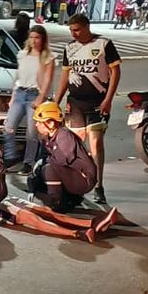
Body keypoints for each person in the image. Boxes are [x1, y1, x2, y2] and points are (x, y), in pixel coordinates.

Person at [55, 13, 122, 205]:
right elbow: (65, 76)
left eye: (77, 30)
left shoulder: (103, 44)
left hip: (97, 103)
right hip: (74, 103)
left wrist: (108, 100)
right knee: (73, 145)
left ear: (86, 27)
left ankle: (99, 186)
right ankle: (75, 183)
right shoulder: (70, 48)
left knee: (96, 144)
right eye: (71, 30)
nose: (74, 34)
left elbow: (115, 72)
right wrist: (57, 100)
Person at [27, 102, 96, 211]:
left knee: (49, 168)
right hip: (70, 174)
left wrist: (43, 163)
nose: (36, 125)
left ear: (50, 123)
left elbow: (61, 160)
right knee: (37, 177)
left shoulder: (64, 135)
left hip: (84, 177)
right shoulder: (47, 138)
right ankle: (69, 199)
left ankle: (55, 203)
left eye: (39, 122)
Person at [4, 24, 54, 172]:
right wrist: (13, 96)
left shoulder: (47, 58)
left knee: (32, 133)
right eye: (31, 37)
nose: (34, 40)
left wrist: (41, 97)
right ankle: (10, 156)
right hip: (20, 93)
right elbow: (18, 77)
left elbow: (47, 80)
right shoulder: (22, 55)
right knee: (8, 128)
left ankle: (29, 162)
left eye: (37, 37)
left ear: (42, 39)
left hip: (34, 94)